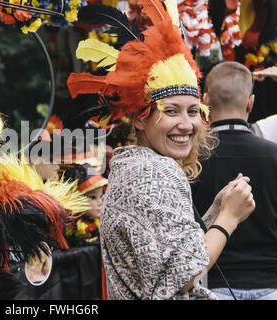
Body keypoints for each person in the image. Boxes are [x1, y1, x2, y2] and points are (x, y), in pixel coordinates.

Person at [67, 2, 255, 299]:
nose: (187, 123)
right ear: (140, 118)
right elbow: (183, 275)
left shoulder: (134, 166)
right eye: (171, 111)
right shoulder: (156, 170)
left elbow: (163, 252)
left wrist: (212, 213)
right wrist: (229, 218)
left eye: (194, 111)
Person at [191, 61, 277, 300]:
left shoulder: (191, 158)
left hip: (211, 284)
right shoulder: (274, 154)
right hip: (271, 284)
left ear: (205, 101)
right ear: (250, 103)